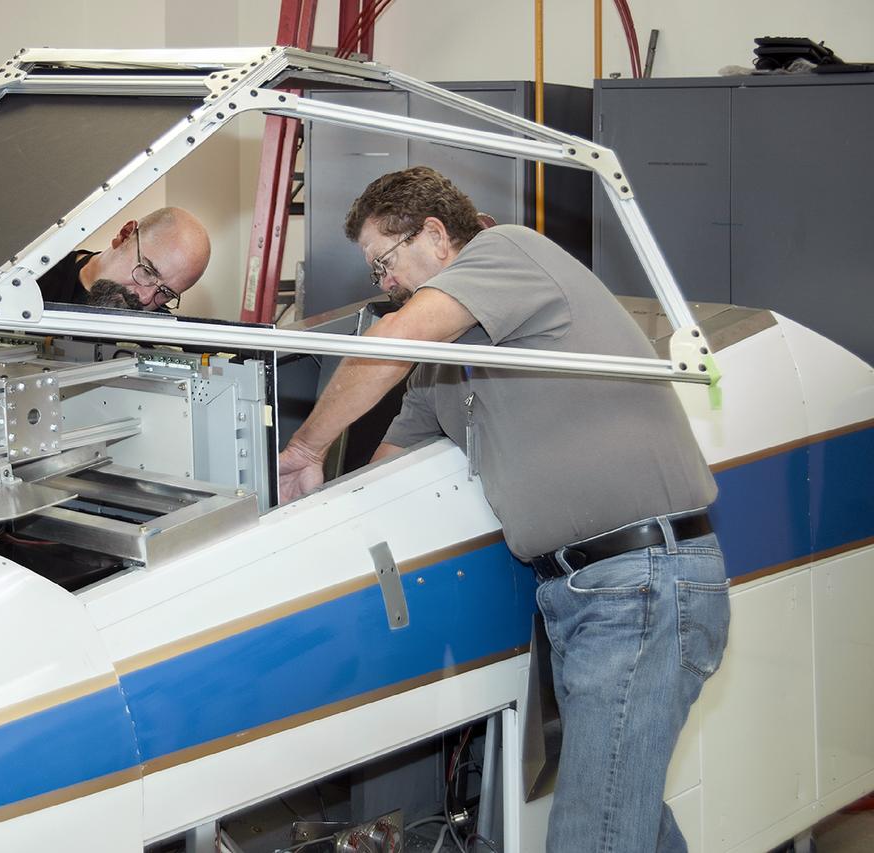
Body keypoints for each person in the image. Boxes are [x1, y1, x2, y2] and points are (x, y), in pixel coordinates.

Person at [278, 166, 729, 853]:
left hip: (639, 580)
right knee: (626, 818)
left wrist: (306, 447)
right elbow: (383, 474)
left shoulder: (507, 251)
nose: (384, 285)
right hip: (581, 598)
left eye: (385, 262)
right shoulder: (444, 365)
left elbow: (395, 340)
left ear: (435, 234)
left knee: (595, 832)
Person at [39, 206, 210, 312]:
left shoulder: (156, 339)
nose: (145, 299)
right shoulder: (33, 280)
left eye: (166, 293)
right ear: (124, 235)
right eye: (147, 271)